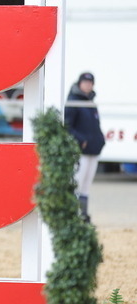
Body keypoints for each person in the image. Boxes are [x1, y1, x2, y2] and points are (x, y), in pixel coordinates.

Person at [64, 71, 105, 223]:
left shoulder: (91, 102)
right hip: (80, 151)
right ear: (80, 83)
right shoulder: (73, 101)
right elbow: (67, 126)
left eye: (90, 83)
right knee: (78, 183)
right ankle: (73, 214)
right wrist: (81, 140)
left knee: (86, 184)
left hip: (93, 150)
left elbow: (95, 124)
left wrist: (100, 139)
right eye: (85, 82)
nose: (88, 85)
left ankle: (84, 214)